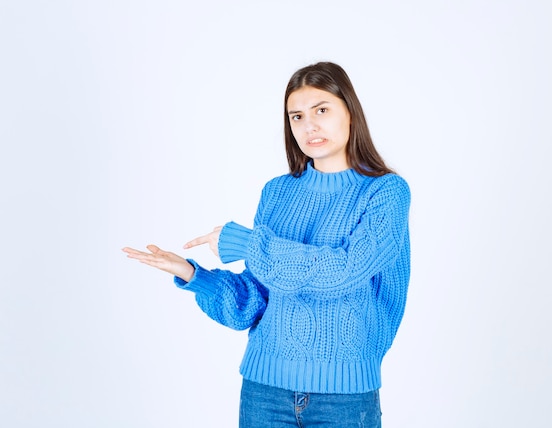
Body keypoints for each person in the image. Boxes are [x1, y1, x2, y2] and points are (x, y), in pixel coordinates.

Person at [123, 61, 411, 428]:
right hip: (264, 392)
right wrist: (194, 275)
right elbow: (256, 299)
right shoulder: (276, 193)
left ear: (350, 113)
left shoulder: (386, 192)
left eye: (322, 110)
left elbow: (345, 271)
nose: (309, 126)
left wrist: (247, 243)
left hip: (345, 396)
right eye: (297, 116)